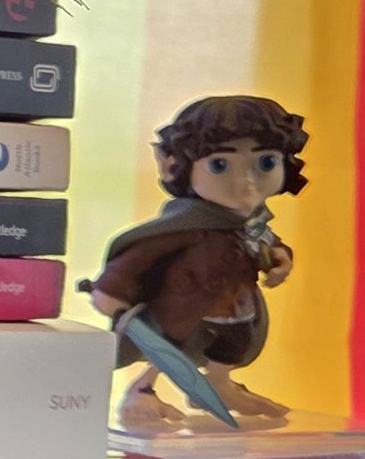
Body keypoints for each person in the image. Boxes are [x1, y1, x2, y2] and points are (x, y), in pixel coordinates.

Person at [86, 94, 307, 427]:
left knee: (234, 344)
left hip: (238, 308)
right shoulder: (181, 229)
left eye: (265, 163)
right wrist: (110, 298)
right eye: (220, 164)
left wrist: (280, 261)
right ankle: (142, 390)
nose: (245, 181)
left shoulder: (251, 223)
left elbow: (267, 243)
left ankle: (219, 383)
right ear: (177, 165)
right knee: (170, 349)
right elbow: (132, 263)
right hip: (183, 308)